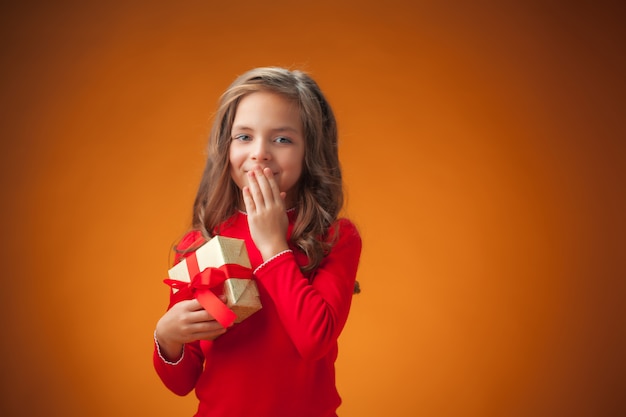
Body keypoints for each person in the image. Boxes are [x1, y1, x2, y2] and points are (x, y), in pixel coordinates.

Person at [153, 66, 362, 417]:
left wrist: (273, 245)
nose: (260, 153)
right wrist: (167, 338)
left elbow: (314, 341)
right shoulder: (198, 243)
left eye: (282, 139)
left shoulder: (335, 238)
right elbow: (181, 382)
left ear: (311, 151)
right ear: (226, 147)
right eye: (244, 137)